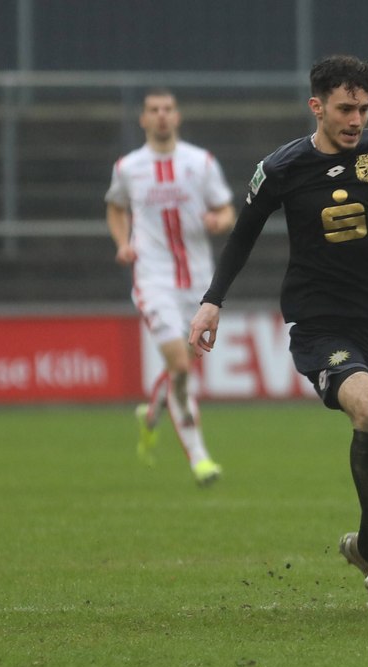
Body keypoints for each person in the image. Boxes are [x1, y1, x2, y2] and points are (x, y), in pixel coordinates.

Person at [187, 55, 368, 609]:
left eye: (363, 108)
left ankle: (363, 544)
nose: (355, 118)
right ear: (316, 106)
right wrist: (211, 301)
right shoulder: (283, 166)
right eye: (344, 108)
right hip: (318, 321)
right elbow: (242, 235)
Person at [106, 88, 236, 487]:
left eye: (167, 109)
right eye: (153, 110)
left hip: (199, 282)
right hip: (154, 279)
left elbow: (227, 210)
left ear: (177, 117)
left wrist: (220, 222)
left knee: (181, 367)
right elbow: (115, 205)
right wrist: (122, 243)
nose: (161, 116)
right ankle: (200, 459)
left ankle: (150, 414)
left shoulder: (200, 162)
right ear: (143, 119)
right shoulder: (129, 167)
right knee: (180, 366)